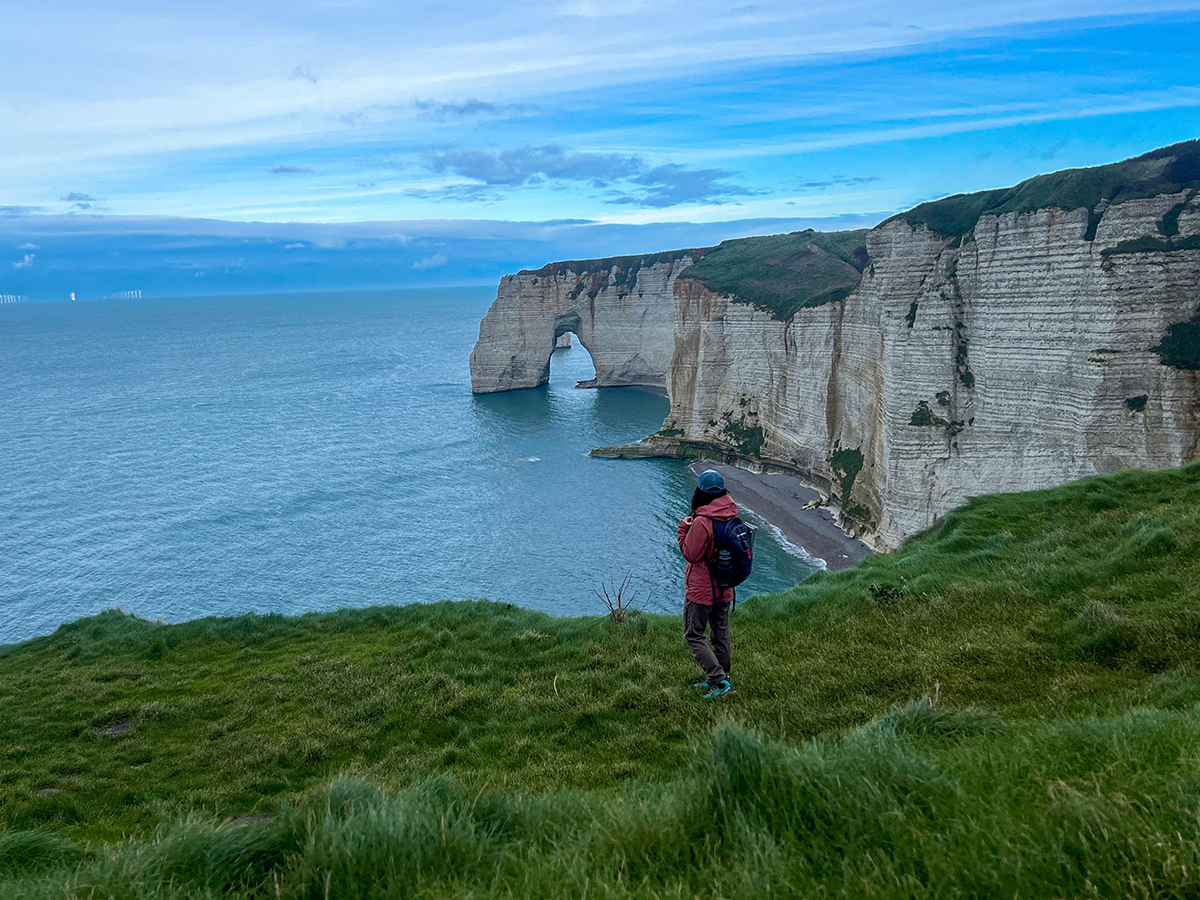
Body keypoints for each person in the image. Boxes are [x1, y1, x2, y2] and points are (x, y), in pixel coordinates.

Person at [677, 469, 737, 699]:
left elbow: (690, 553)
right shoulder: (731, 514)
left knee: (693, 634)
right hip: (725, 587)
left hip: (702, 590)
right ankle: (722, 677)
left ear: (699, 492)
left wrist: (684, 528)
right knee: (720, 634)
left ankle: (719, 680)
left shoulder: (702, 522)